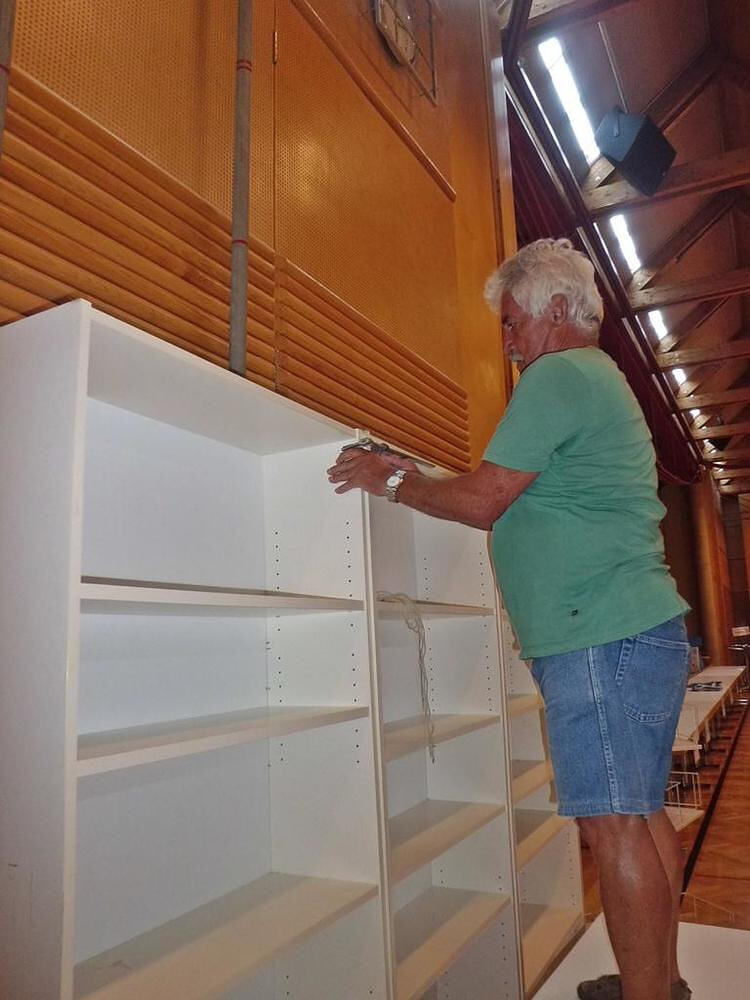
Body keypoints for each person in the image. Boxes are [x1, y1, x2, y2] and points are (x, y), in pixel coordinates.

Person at [327, 238, 691, 1000]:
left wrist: (390, 482)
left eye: (512, 321)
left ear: (556, 309)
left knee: (614, 824)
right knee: (639, 814)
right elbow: (505, 489)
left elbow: (485, 500)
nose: (508, 340)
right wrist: (421, 475)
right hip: (631, 630)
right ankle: (658, 984)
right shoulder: (597, 378)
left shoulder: (559, 376)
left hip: (598, 635)